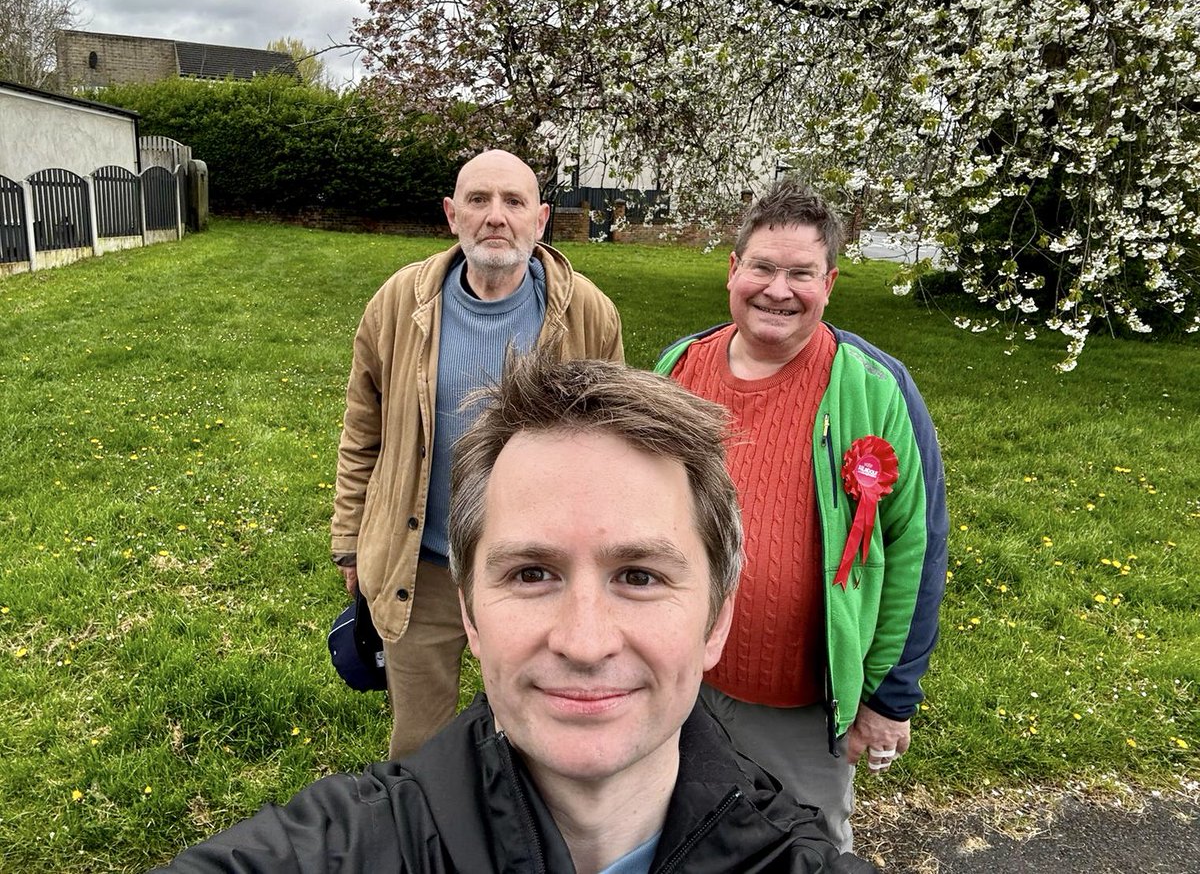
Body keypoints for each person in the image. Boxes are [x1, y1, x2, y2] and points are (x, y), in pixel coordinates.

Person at [153, 355, 876, 873]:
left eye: (640, 575)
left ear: (716, 620)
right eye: (532, 574)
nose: (585, 641)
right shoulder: (351, 846)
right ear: (469, 614)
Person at [654, 179, 948, 852]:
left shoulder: (875, 388)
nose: (777, 289)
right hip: (683, 678)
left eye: (800, 273)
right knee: (685, 837)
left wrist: (889, 697)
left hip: (801, 705)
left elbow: (917, 545)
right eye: (761, 266)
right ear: (733, 270)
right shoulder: (678, 368)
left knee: (804, 851)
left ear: (830, 282)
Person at [331, 149, 623, 759]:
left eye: (513, 202)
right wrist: (352, 540)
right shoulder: (397, 303)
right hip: (425, 565)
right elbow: (363, 430)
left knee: (530, 731)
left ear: (540, 219)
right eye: (478, 200)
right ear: (451, 214)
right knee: (419, 742)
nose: (496, 217)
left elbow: (611, 447)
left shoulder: (588, 313)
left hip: (535, 569)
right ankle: (430, 840)